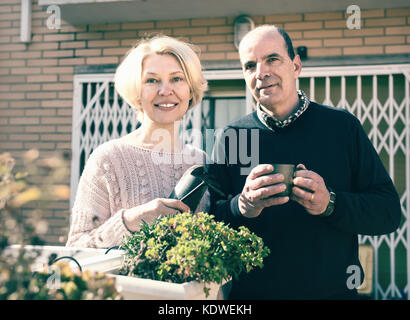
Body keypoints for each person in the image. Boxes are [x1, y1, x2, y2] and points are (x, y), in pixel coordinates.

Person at [207, 25, 401, 299]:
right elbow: (208, 225)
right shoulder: (234, 137)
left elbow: (389, 213)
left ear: (296, 66)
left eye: (272, 59)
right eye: (250, 65)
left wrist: (330, 203)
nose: (261, 72)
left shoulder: (341, 127)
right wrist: (242, 206)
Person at [67, 35, 209, 248]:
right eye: (151, 80)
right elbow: (76, 248)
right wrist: (130, 221)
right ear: (136, 91)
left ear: (190, 90)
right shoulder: (108, 158)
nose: (165, 90)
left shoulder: (201, 160)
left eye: (177, 79)